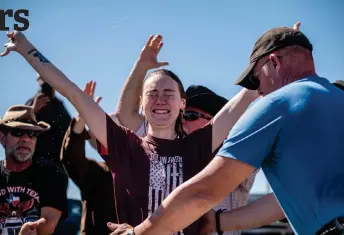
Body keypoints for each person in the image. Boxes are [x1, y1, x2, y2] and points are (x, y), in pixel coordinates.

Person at [1, 31, 258, 234]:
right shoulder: (124, 145)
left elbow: (247, 95)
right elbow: (71, 91)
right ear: (142, 105)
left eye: (169, 94)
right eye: (152, 94)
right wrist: (27, 50)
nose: (160, 100)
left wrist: (278, 53)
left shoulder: (198, 145)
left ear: (182, 104)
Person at [101, 26, 344, 235]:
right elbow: (285, 201)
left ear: (274, 62)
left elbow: (202, 193)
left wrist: (137, 232)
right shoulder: (337, 98)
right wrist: (218, 223)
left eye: (255, 79)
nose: (259, 91)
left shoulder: (276, 106)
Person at [113, 36, 257, 235]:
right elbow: (126, 115)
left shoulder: (235, 151)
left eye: (191, 115)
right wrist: (141, 68)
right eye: (183, 113)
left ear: (214, 122)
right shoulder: (166, 144)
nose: (183, 119)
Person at [0, 105, 68, 235]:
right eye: (18, 132)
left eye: (32, 133)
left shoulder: (52, 176)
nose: (26, 139)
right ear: (3, 138)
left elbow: (46, 228)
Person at [25, 74, 71, 166]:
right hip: (35, 161)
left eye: (48, 79)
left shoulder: (59, 106)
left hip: (58, 163)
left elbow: (70, 130)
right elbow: (20, 126)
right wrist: (33, 111)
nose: (46, 83)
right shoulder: (32, 103)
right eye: (42, 80)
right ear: (38, 82)